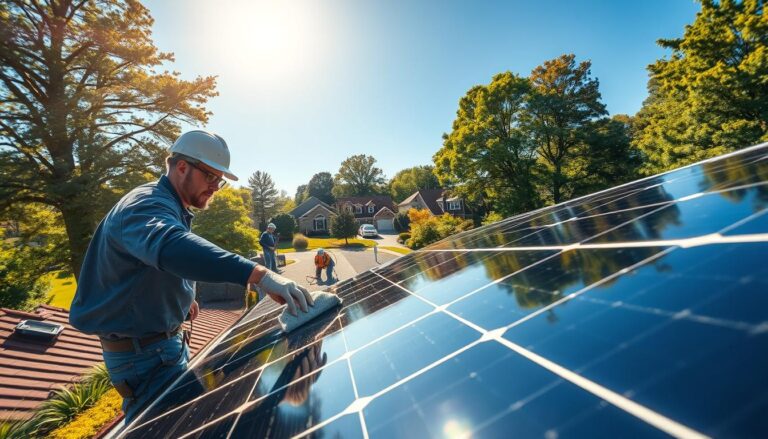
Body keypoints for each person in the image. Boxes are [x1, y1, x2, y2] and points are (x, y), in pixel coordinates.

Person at [69, 130, 314, 423]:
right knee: (176, 427)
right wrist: (260, 275)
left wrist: (182, 298)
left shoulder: (168, 204)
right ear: (182, 166)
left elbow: (150, 267)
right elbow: (172, 247)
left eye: (219, 180)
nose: (215, 187)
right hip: (145, 357)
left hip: (157, 348)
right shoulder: (144, 205)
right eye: (210, 176)